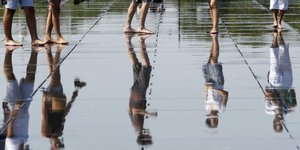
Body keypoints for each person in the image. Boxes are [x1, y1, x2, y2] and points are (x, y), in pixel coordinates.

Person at [41, 44, 86, 149]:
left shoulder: (46, 133)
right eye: (60, 145)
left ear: (52, 147)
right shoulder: (59, 132)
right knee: (55, 73)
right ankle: (51, 53)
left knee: (56, 73)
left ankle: (57, 52)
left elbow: (44, 116)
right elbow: (64, 114)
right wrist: (73, 97)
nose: (59, 143)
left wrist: (44, 99)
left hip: (52, 99)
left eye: (57, 146)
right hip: (60, 98)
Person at [2, 45, 40, 149]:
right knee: (31, 77)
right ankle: (35, 51)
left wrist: (14, 110)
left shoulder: (12, 146)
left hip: (15, 107)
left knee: (10, 76)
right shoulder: (23, 144)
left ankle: (8, 51)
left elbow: (9, 129)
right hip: (25, 108)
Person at [124, 33, 157, 148]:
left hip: (139, 94)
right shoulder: (136, 127)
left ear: (143, 137)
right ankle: (127, 42)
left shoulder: (138, 126)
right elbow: (129, 110)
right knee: (135, 64)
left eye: (148, 137)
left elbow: (134, 111)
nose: (149, 135)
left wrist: (149, 113)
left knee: (146, 67)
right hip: (134, 94)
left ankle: (141, 42)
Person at [264, 30, 296, 133]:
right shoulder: (288, 111)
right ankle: (279, 33)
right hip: (287, 83)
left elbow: (267, 93)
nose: (280, 119)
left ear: (274, 121)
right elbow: (293, 94)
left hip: (275, 82)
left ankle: (274, 36)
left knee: (274, 58)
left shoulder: (268, 110)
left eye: (277, 121)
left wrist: (277, 105)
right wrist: (290, 105)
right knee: (284, 53)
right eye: (281, 122)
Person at [202, 34, 228, 128]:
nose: (215, 119)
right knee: (214, 60)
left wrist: (206, 86)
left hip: (209, 82)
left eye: (213, 120)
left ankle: (213, 39)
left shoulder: (206, 107)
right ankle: (215, 38)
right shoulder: (221, 109)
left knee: (210, 59)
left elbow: (206, 95)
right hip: (218, 83)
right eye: (215, 121)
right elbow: (226, 94)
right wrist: (215, 90)